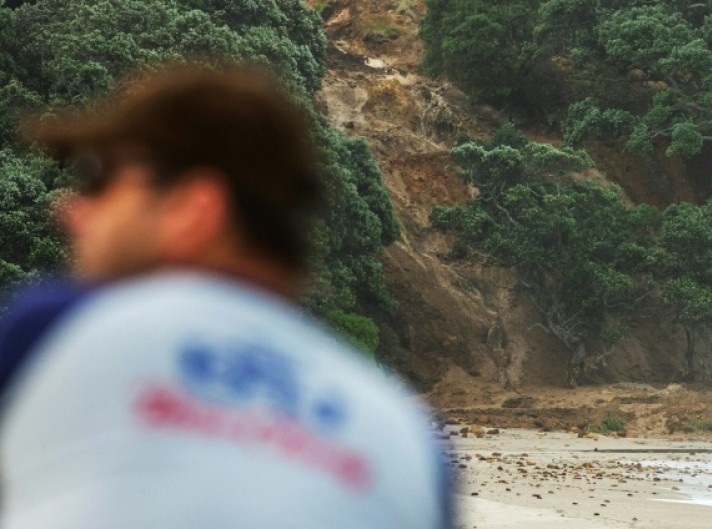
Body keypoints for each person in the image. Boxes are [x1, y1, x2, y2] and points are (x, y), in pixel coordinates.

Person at [0, 65, 452, 529]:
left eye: (99, 176)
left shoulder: (58, 330)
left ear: (195, 209)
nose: (69, 210)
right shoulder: (413, 447)